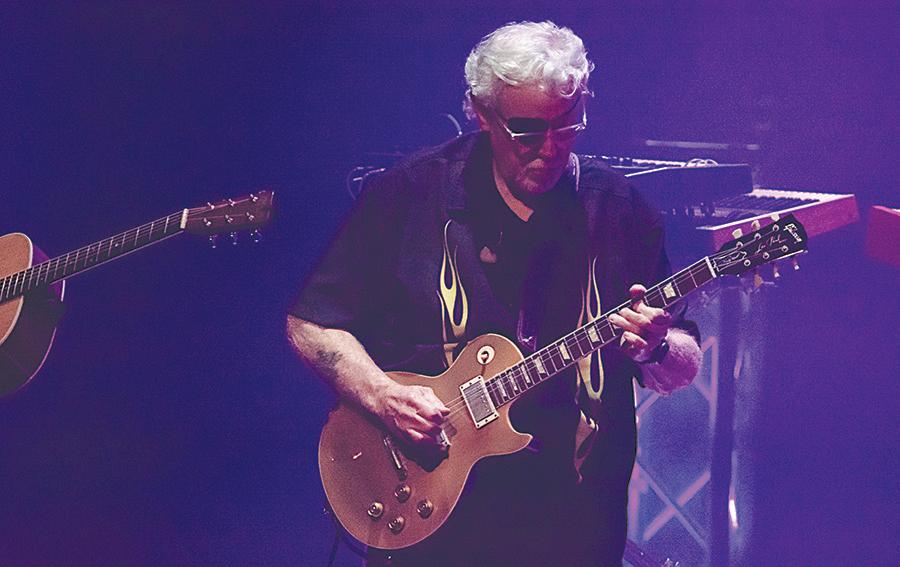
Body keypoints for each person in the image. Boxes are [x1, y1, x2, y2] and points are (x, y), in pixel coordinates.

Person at [288, 21, 701, 566]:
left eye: (567, 126)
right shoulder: (411, 194)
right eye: (527, 130)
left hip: (575, 525)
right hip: (432, 517)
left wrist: (656, 348)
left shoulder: (620, 212)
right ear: (481, 113)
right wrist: (383, 397)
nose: (549, 149)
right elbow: (312, 322)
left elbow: (681, 366)